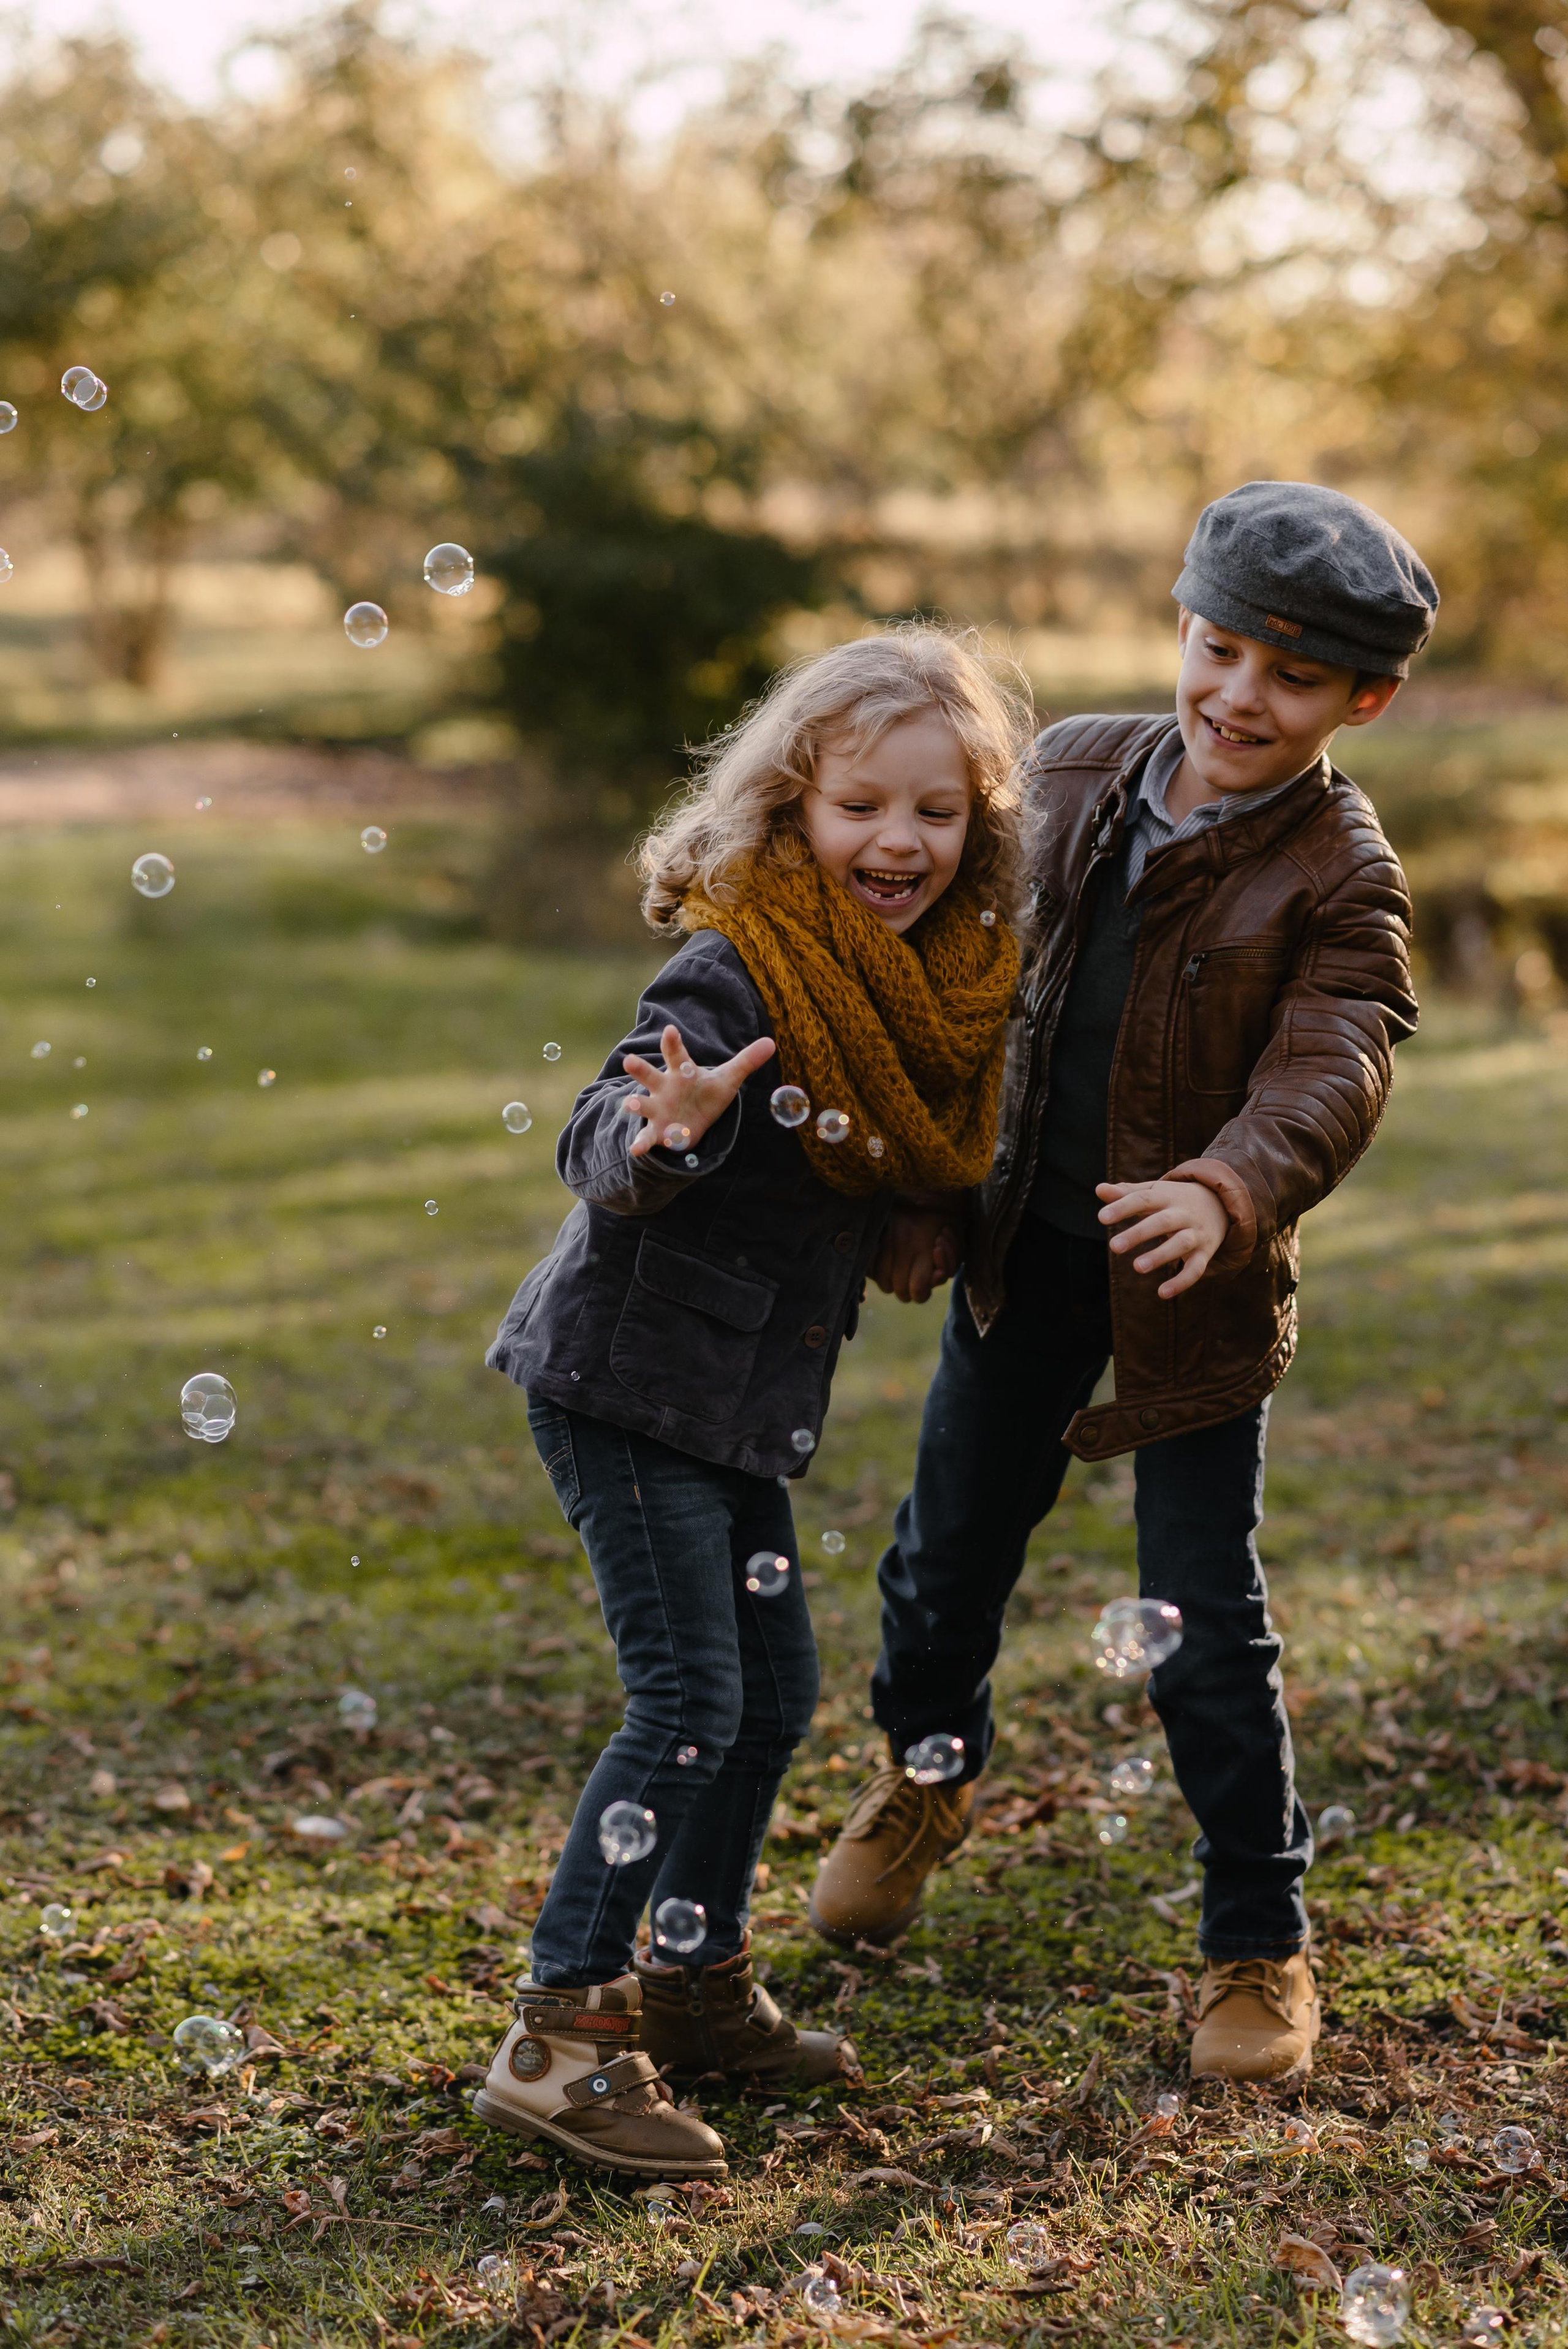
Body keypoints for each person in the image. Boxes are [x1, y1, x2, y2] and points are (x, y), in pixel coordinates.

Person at [810, 482, 1437, 2085]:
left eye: (1293, 679)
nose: (1239, 697)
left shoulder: (1342, 875)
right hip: (1020, 1256)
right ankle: (926, 1772)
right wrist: (924, 1181)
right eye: (1219, 649)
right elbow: (961, 980)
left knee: (1204, 1632)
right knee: (938, 1562)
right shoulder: (1074, 769)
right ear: (1183, 626)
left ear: (1364, 700)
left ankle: (1257, 1936)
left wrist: (1234, 1183)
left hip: (1192, 1292)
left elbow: (1337, 1056)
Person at [472, 624, 1030, 2174]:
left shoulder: (928, 985)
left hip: (724, 1406)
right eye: (861, 807)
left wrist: (927, 1209)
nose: (896, 842)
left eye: (934, 812)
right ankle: (559, 2032)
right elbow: (601, 1127)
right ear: (792, 807)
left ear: (977, 822)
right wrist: (663, 1137)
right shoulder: (737, 963)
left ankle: (693, 1977)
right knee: (691, 1702)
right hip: (624, 1383)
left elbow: (888, 1141)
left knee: (774, 1699)